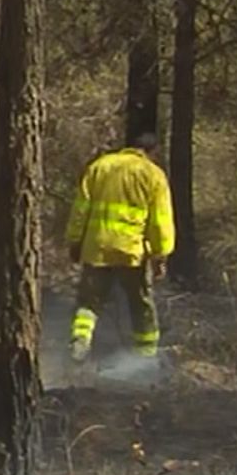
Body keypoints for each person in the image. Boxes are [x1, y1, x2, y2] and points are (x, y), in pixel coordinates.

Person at [64, 131, 175, 363]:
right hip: (132, 252)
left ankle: (80, 341)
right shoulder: (153, 175)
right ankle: (145, 358)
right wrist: (160, 255)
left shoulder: (99, 167)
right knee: (140, 304)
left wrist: (75, 241)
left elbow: (80, 210)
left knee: (89, 301)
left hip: (97, 249)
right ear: (152, 152)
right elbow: (160, 221)